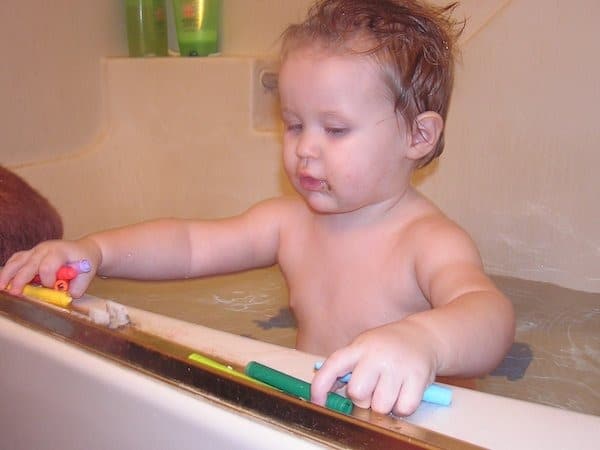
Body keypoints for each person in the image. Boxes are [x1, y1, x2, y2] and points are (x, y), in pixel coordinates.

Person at [0, 0, 514, 416]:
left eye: (334, 129)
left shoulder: (428, 241)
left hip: (412, 422)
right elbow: (190, 245)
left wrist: (422, 341)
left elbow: (488, 315)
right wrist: (93, 251)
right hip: (312, 411)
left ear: (418, 136)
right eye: (294, 124)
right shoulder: (289, 224)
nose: (305, 148)